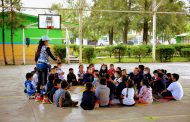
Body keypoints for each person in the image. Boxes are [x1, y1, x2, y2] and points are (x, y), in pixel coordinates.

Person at [35, 36, 58, 103]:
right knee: (45, 82)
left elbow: (36, 58)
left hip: (38, 65)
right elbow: (52, 56)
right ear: (45, 41)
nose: (48, 42)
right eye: (47, 41)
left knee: (39, 81)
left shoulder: (38, 48)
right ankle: (45, 98)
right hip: (44, 65)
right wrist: (56, 59)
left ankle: (38, 97)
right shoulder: (46, 48)